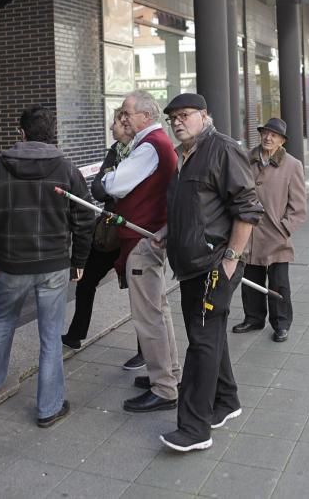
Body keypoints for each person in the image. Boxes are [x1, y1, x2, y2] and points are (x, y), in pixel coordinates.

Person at [0, 106, 95, 427]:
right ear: (50, 133)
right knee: (51, 335)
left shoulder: (0, 168)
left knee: (1, 320)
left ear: (21, 133)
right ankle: (49, 408)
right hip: (54, 264)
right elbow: (85, 217)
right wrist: (79, 260)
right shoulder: (67, 168)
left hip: (12, 264)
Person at [157, 93, 264, 452]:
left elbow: (248, 209)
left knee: (201, 343)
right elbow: (195, 207)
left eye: (184, 115)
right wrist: (169, 234)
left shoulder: (223, 149)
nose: (177, 122)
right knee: (208, 335)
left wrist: (230, 259)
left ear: (204, 115)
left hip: (214, 266)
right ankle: (227, 400)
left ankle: (194, 427)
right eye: (172, 117)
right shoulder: (184, 155)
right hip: (189, 267)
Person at [102, 90, 180, 412]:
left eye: (127, 112)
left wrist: (105, 178)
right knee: (159, 312)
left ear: (145, 117)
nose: (123, 118)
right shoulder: (158, 143)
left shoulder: (150, 146)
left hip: (142, 240)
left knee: (149, 318)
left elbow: (115, 185)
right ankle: (168, 374)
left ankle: (163, 388)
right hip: (151, 237)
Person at [62, 109, 144, 370]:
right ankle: (75, 335)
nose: (111, 127)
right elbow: (98, 188)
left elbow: (136, 191)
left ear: (128, 126)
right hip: (109, 233)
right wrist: (116, 183)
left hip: (134, 235)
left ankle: (146, 350)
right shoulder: (114, 151)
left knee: (140, 293)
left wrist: (116, 183)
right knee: (86, 282)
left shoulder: (143, 152)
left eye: (116, 123)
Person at [232, 117, 306, 343]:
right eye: (265, 133)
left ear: (282, 141)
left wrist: (284, 229)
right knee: (250, 280)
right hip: (249, 233)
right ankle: (254, 318)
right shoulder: (246, 159)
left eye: (274, 135)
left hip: (276, 236)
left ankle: (281, 323)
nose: (268, 137)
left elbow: (299, 207)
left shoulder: (292, 165)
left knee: (279, 284)